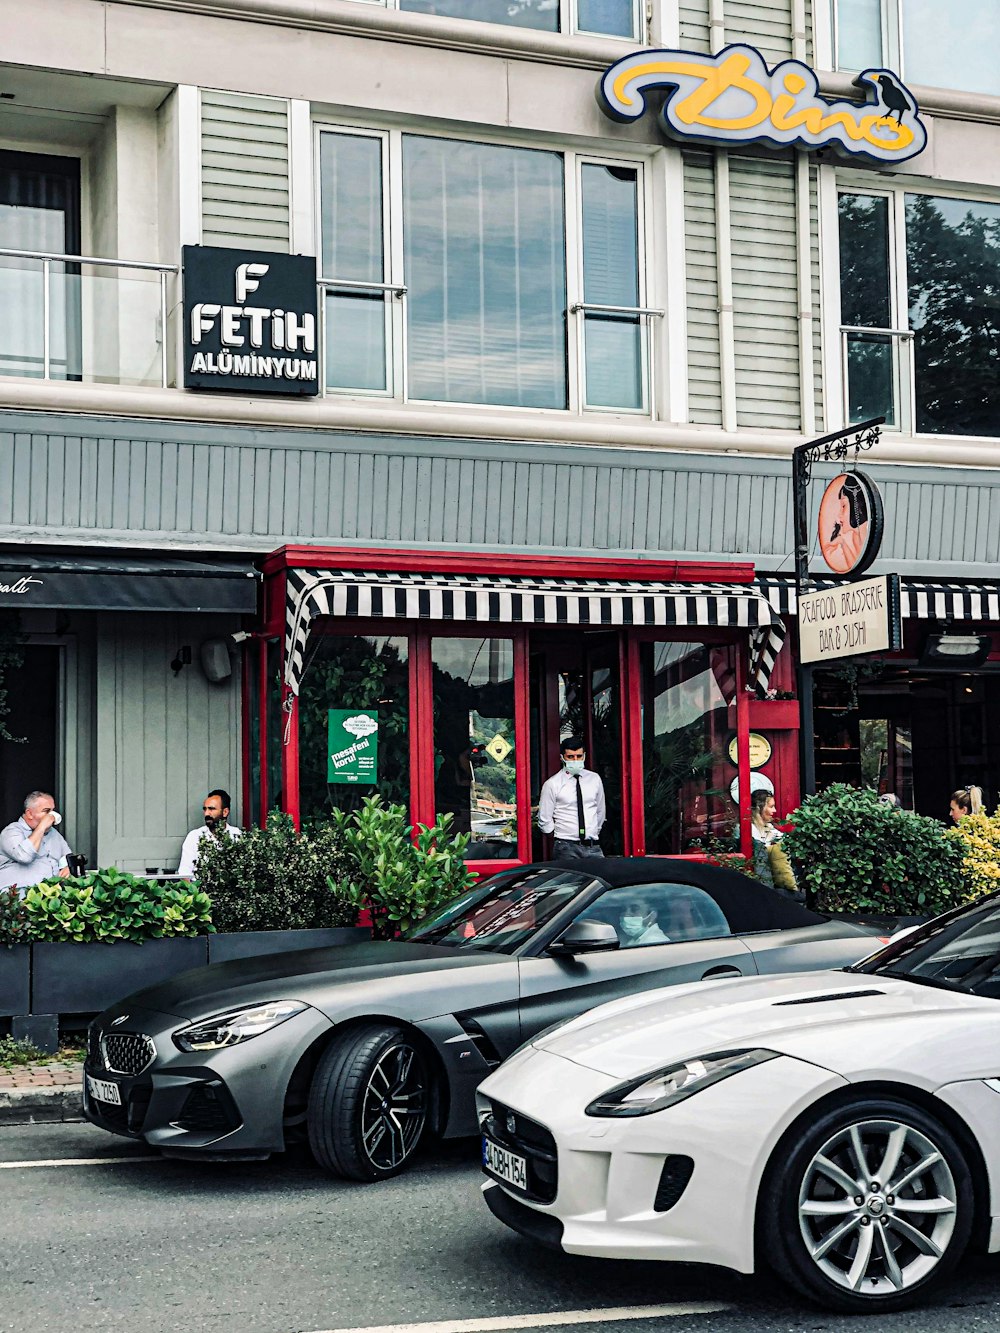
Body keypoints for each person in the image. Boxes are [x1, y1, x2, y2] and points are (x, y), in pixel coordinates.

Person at [537, 736, 606, 859]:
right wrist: (558, 838)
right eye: (570, 757)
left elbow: (600, 811)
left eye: (579, 756)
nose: (575, 760)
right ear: (562, 757)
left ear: (584, 756)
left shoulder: (594, 779)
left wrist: (593, 831)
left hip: (592, 846)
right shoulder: (553, 783)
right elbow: (544, 818)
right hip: (566, 846)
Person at [0, 791, 72, 892]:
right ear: (29, 813)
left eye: (52, 811)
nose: (52, 816)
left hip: (49, 898)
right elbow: (24, 857)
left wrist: (67, 867)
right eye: (46, 811)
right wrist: (42, 826)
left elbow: (67, 858)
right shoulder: (11, 831)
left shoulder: (53, 833)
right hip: (17, 898)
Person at [177, 789, 242, 878]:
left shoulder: (237, 836)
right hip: (199, 889)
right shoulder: (194, 837)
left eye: (211, 809)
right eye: (205, 809)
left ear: (225, 812)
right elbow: (184, 873)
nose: (207, 813)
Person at [750, 788, 799, 898]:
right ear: (759, 808)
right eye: (771, 807)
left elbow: (785, 842)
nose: (775, 811)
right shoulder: (747, 829)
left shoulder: (769, 828)